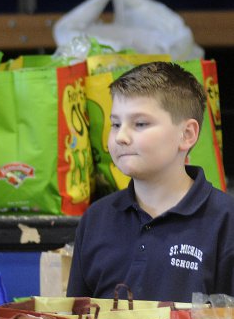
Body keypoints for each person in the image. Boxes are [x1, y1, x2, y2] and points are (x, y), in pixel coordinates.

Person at [67, 61, 234, 302]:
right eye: (115, 124)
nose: (121, 137)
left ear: (187, 134)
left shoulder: (225, 221)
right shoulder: (96, 219)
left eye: (140, 124)